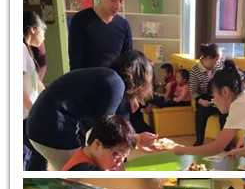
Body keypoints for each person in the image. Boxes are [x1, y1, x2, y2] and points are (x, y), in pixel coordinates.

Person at [26, 50, 160, 170]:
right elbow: (106, 131)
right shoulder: (114, 84)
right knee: (77, 177)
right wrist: (136, 140)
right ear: (137, 80)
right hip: (52, 127)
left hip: (40, 123)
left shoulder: (109, 77)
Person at [68, 0, 132, 70]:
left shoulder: (124, 25)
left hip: (114, 79)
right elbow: (75, 64)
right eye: (113, 0)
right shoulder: (80, 21)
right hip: (88, 78)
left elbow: (128, 64)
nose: (118, 6)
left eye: (121, 0)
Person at [61, 115, 137, 171]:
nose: (121, 160)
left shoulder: (86, 152)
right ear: (97, 144)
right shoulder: (84, 171)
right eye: (116, 154)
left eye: (125, 155)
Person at [23, 11, 48, 171]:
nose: (44, 36)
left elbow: (36, 83)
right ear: (33, 29)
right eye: (43, 30)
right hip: (24, 115)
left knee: (37, 152)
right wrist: (33, 111)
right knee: (41, 150)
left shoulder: (26, 50)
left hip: (27, 114)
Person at [190, 43, 225, 146]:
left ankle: (225, 142)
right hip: (204, 97)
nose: (218, 63)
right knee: (200, 113)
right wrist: (200, 100)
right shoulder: (195, 70)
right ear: (209, 58)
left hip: (219, 96)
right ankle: (199, 140)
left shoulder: (219, 67)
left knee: (225, 113)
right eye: (216, 61)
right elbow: (193, 91)